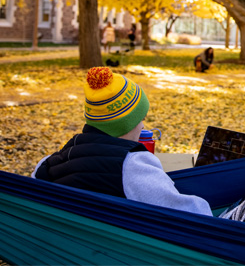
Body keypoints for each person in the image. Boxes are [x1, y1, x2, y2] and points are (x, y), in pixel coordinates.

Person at [32, 67, 212, 216]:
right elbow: (189, 212)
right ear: (124, 125)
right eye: (140, 118)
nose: (142, 126)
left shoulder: (45, 167)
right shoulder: (132, 166)